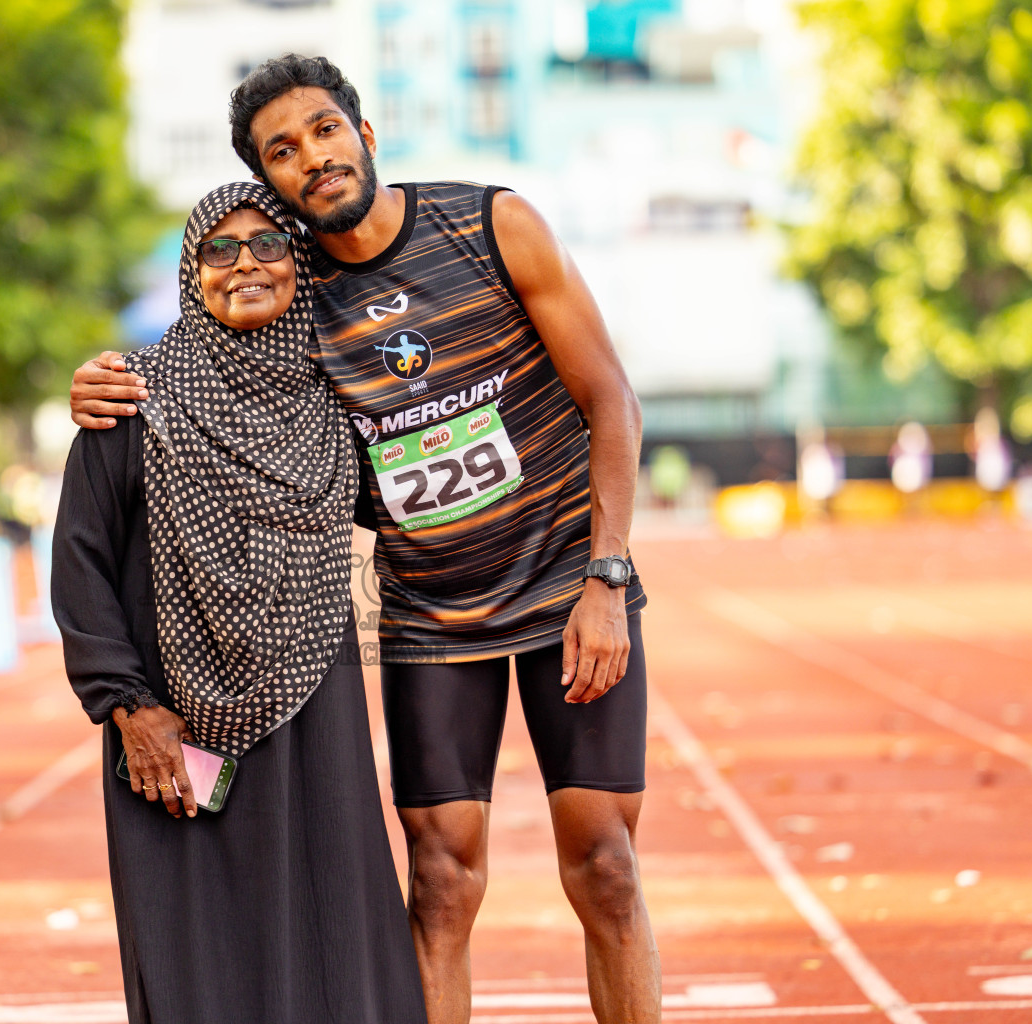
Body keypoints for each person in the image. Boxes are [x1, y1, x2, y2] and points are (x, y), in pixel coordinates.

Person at [71, 55, 658, 1024]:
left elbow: (612, 401)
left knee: (605, 864)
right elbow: (220, 369)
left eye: (325, 130)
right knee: (441, 878)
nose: (313, 157)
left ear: (365, 134)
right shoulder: (294, 296)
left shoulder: (492, 225)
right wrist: (103, 383)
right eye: (283, 151)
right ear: (271, 182)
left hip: (568, 586)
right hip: (431, 616)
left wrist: (609, 573)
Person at [53, 181, 427, 1024]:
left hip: (314, 713)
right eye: (219, 249)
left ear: (300, 261)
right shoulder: (134, 398)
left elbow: (417, 497)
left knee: (331, 935)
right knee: (194, 950)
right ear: (194, 271)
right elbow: (80, 561)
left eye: (268, 243)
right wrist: (128, 707)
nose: (245, 264)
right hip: (170, 720)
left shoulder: (341, 396)